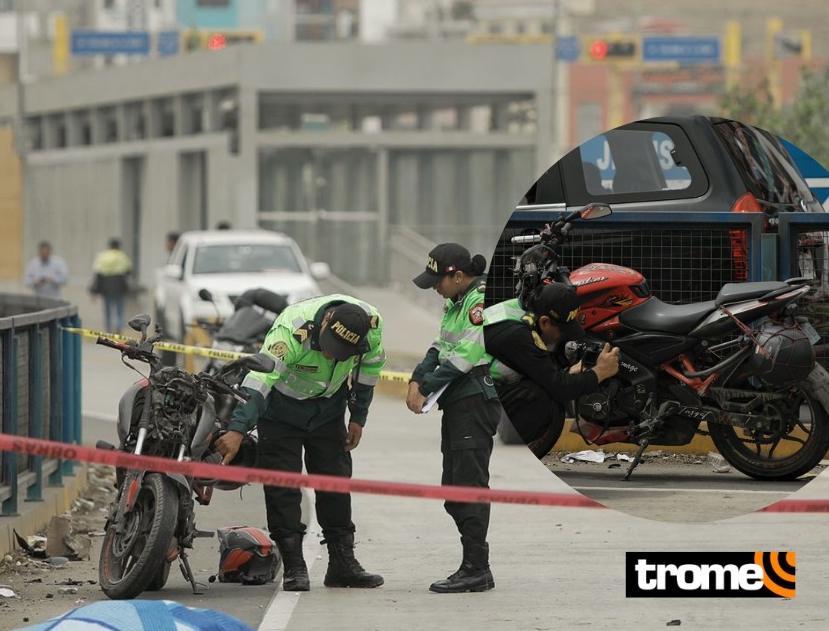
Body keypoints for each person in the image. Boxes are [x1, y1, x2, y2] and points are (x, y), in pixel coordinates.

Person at [214, 295, 386, 592]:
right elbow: (259, 381)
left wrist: (358, 417)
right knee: (283, 488)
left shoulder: (370, 327)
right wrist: (238, 430)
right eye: (330, 347)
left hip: (329, 409)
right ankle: (295, 566)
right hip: (281, 410)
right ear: (326, 322)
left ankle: (342, 564)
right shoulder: (291, 331)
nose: (331, 356)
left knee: (335, 482)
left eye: (341, 353)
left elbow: (369, 371)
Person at [408, 243, 503, 594]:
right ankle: (474, 565)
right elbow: (440, 345)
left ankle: (477, 568)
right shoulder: (456, 301)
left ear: (458, 275)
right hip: (458, 401)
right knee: (453, 490)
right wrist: (417, 377)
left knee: (469, 486)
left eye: (438, 281)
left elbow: (465, 355)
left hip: (475, 400)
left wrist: (426, 386)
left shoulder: (480, 302)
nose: (435, 287)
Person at [483, 282, 621, 457]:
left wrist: (568, 374)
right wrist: (600, 372)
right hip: (466, 408)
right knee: (540, 398)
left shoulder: (519, 311)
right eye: (562, 331)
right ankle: (491, 456)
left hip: (474, 395)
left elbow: (544, 374)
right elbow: (560, 389)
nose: (562, 337)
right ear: (544, 322)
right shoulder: (517, 335)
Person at [90, 238, 136, 333]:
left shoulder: (102, 256)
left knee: (107, 311)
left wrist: (93, 290)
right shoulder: (122, 256)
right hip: (119, 286)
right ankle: (118, 328)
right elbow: (128, 271)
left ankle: (108, 329)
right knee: (119, 310)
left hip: (106, 286)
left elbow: (97, 273)